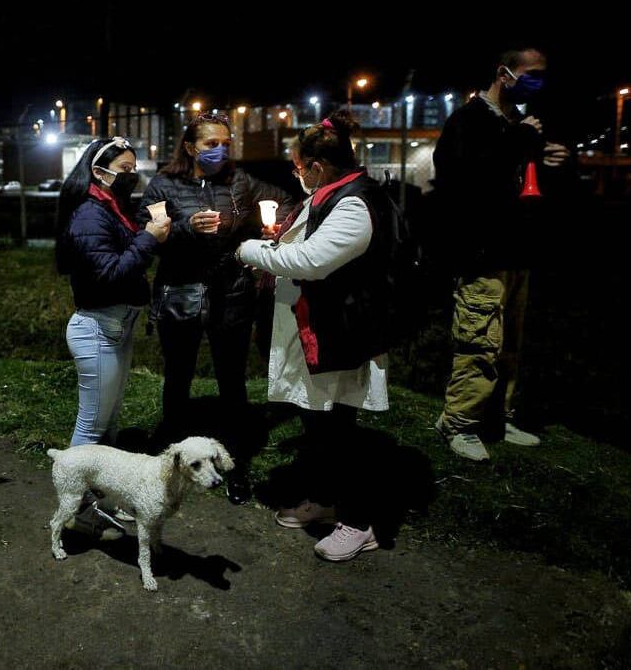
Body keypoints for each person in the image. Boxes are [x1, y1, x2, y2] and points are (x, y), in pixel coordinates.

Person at [236, 114, 395, 562]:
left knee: (338, 430)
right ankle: (327, 502)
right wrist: (276, 251)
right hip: (318, 331)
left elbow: (311, 260)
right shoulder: (329, 195)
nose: (295, 173)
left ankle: (360, 522)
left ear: (319, 166)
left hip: (340, 334)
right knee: (318, 423)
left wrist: (250, 250)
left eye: (297, 165)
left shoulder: (355, 204)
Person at [136, 113, 293, 503]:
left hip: (232, 294)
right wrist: (188, 227)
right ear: (190, 147)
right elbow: (149, 233)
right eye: (211, 144)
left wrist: (268, 229)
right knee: (177, 377)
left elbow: (286, 202)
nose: (220, 150)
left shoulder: (241, 182)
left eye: (225, 142)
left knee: (232, 382)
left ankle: (235, 465)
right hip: (180, 292)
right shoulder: (164, 184)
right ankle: (168, 467)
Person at [433, 47, 570, 462]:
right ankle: (458, 422)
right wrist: (522, 141)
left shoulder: (516, 124)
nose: (538, 83)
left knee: (509, 340)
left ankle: (497, 416)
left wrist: (548, 158)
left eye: (544, 75)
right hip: (482, 253)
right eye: (531, 74)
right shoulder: (469, 120)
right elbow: (468, 179)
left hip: (516, 250)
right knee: (480, 337)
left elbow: (518, 177)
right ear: (503, 73)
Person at [55, 137, 170, 538]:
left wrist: (152, 233)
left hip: (116, 326)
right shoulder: (89, 216)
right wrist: (149, 239)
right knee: (91, 428)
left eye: (132, 168)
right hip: (98, 330)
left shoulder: (110, 206)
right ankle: (77, 514)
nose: (130, 175)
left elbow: (126, 253)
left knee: (108, 425)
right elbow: (109, 275)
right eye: (123, 169)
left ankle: (101, 502)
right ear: (98, 171)